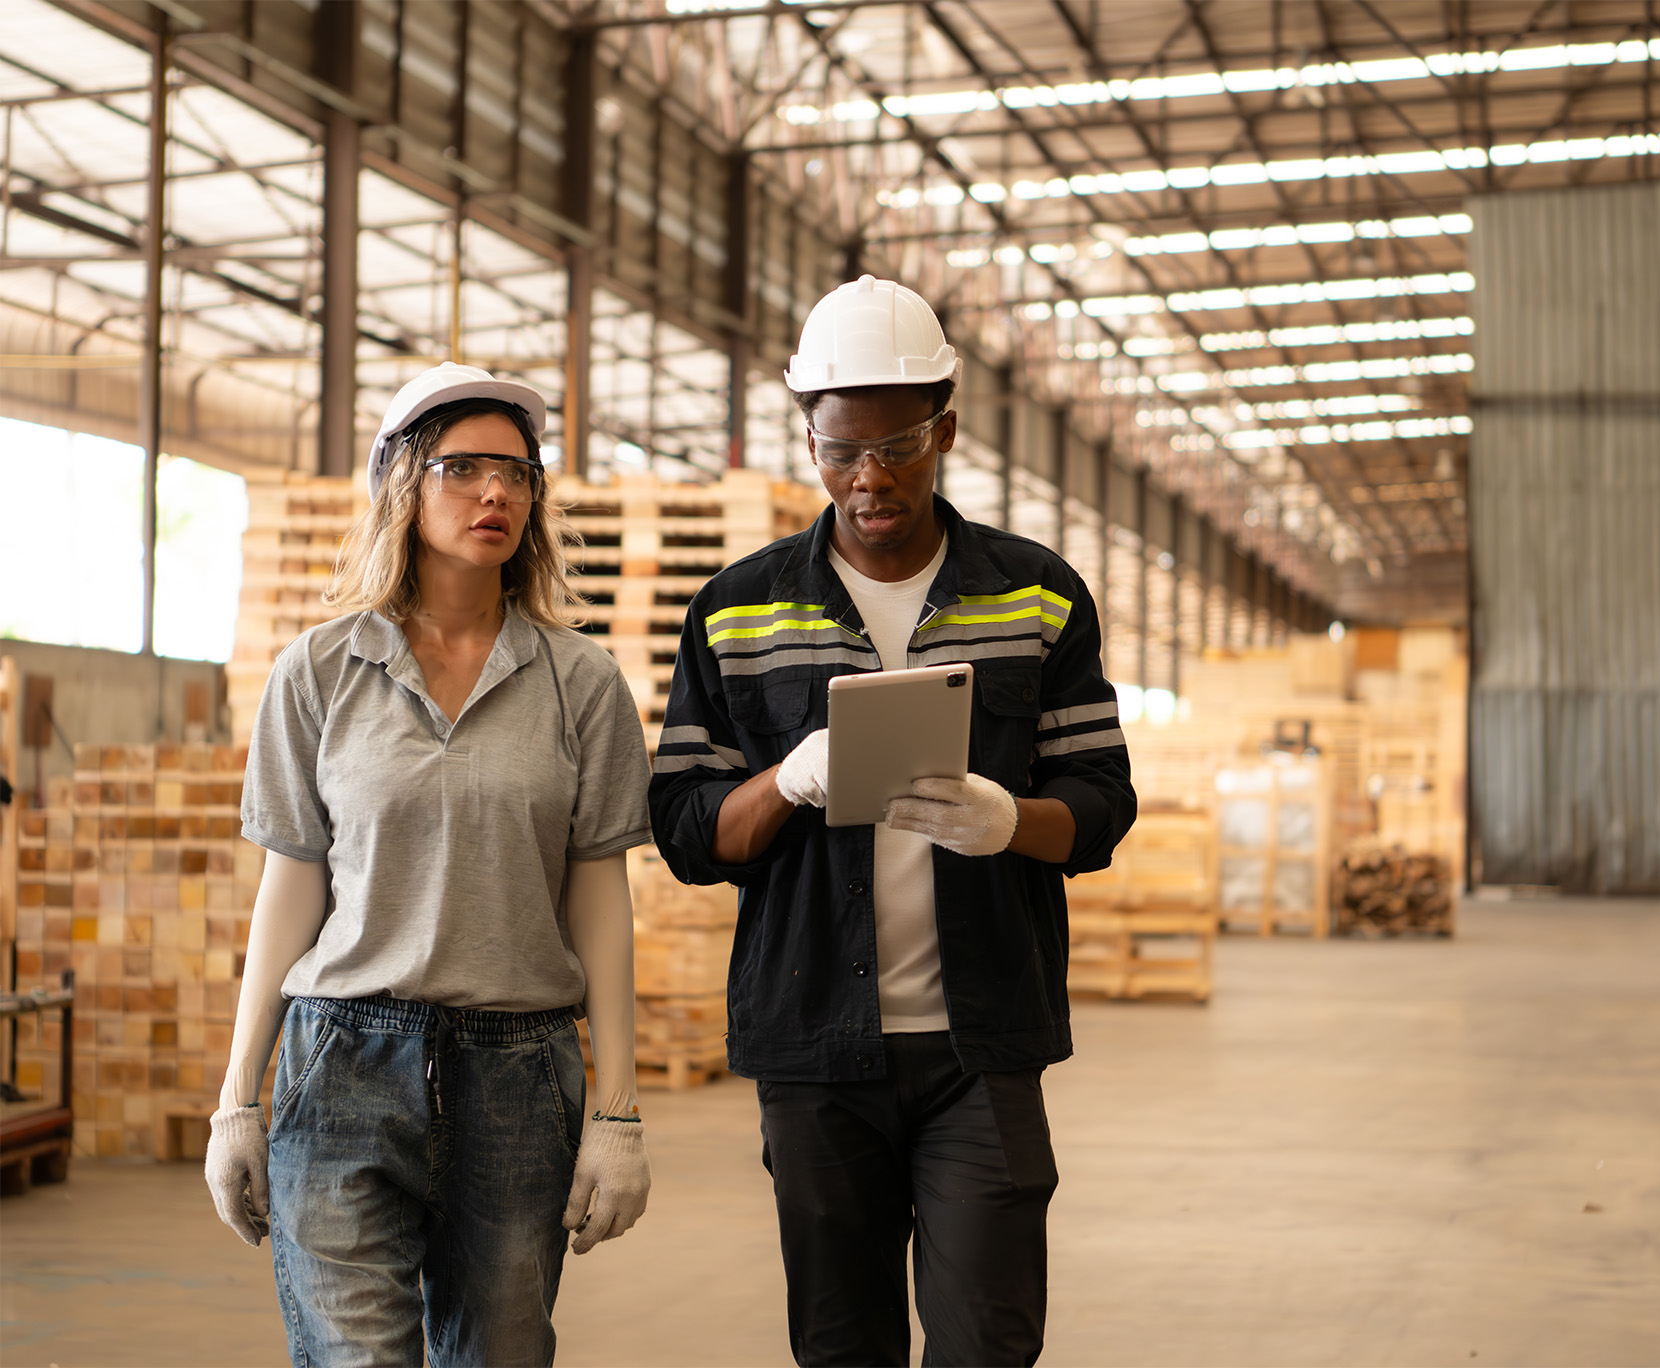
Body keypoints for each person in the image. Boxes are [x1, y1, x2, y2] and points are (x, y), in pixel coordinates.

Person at [650, 276, 1136, 1366]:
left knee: (987, 1340)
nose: (869, 479)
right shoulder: (738, 609)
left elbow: (1102, 806)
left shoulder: (1036, 598)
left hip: (981, 1048)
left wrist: (1009, 820)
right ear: (809, 439)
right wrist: (789, 780)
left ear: (947, 428)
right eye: (839, 451)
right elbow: (684, 826)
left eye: (899, 448)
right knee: (841, 1344)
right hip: (817, 1049)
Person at [204, 363, 654, 1368]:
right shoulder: (317, 673)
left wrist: (617, 1113)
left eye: (516, 473)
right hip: (344, 1062)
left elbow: (600, 904)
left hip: (520, 1075)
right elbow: (289, 891)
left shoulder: (580, 683)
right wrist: (239, 1100)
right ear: (403, 484)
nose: (495, 493)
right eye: (462, 468)